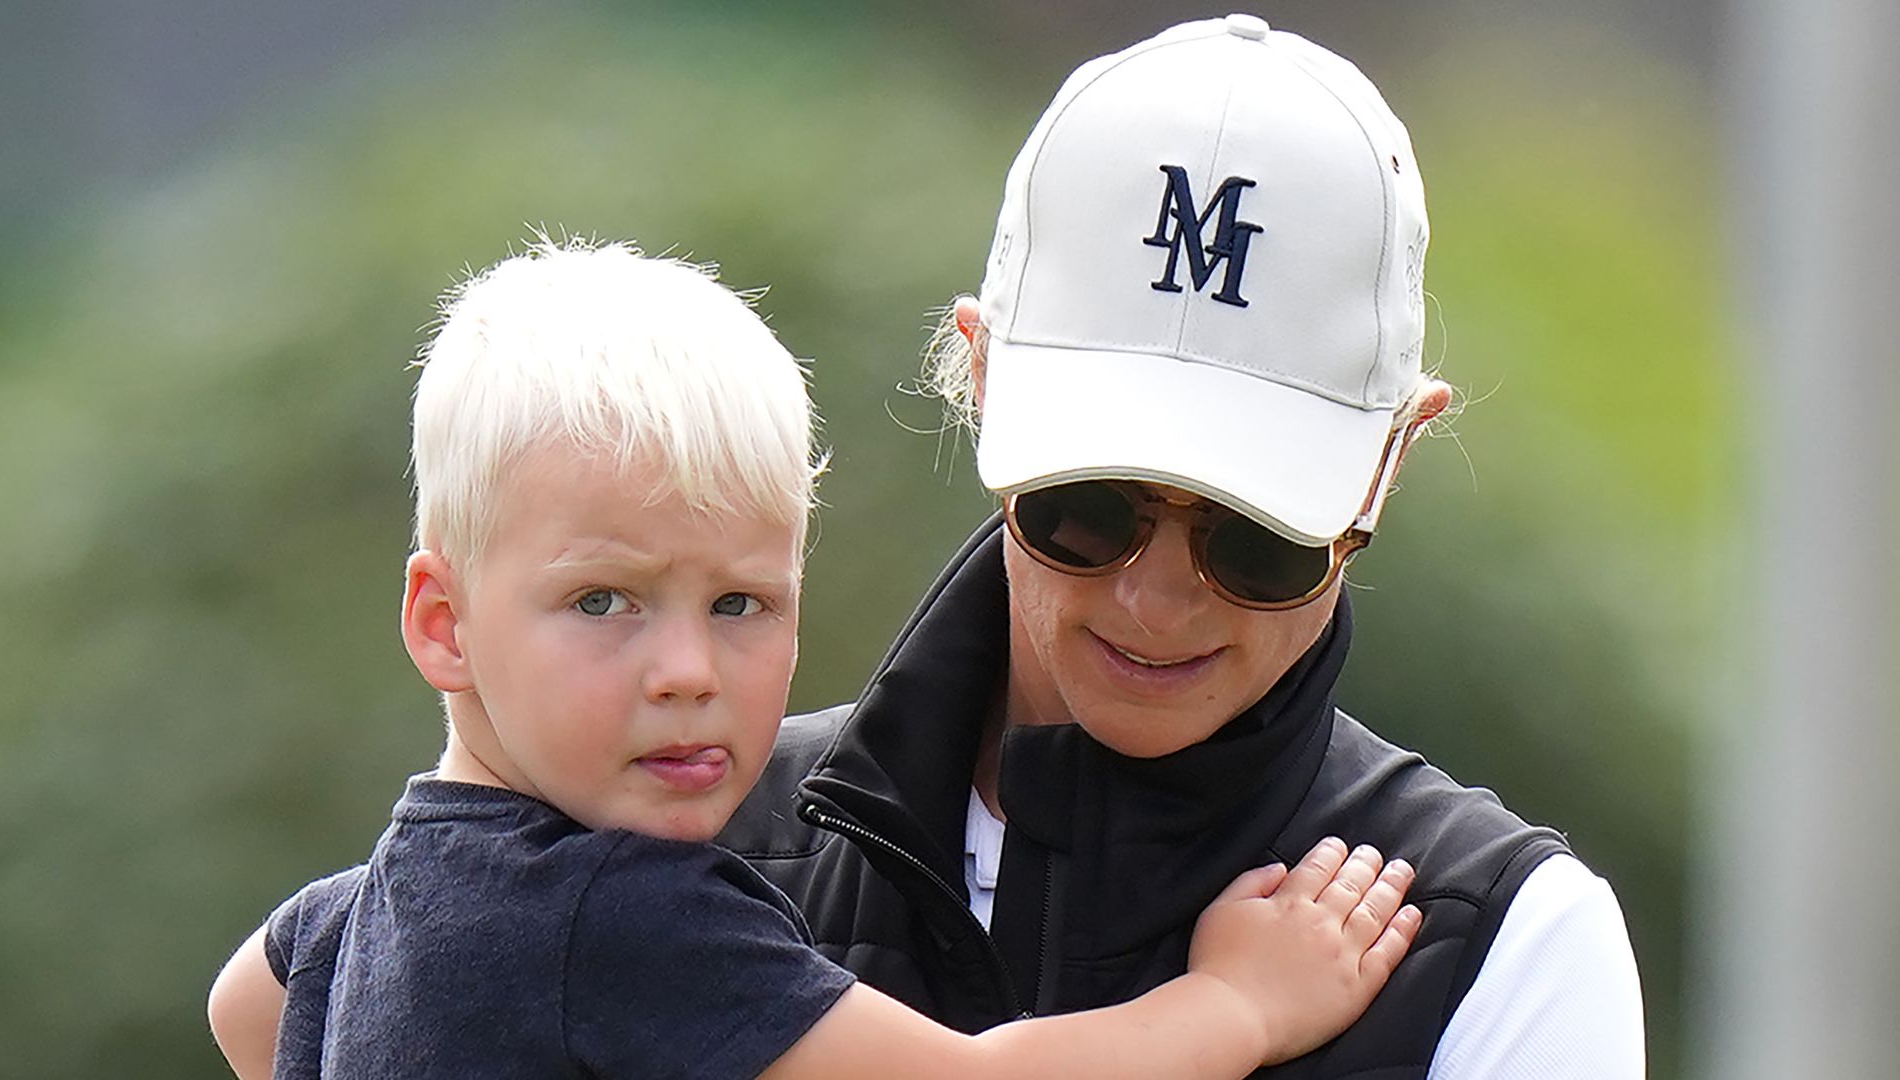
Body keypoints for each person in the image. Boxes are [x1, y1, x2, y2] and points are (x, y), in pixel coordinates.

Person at [203, 234, 1425, 1079]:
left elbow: (243, 1012)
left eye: (739, 605)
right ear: (443, 624)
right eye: (604, 601)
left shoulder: (376, 908)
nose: (686, 669)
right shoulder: (619, 919)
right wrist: (1236, 1004)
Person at [716, 14, 1645, 1078]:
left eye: (1253, 537)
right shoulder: (680, 844)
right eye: (1092, 507)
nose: (1156, 601)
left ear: (1393, 459)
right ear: (983, 384)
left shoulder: (1510, 950)